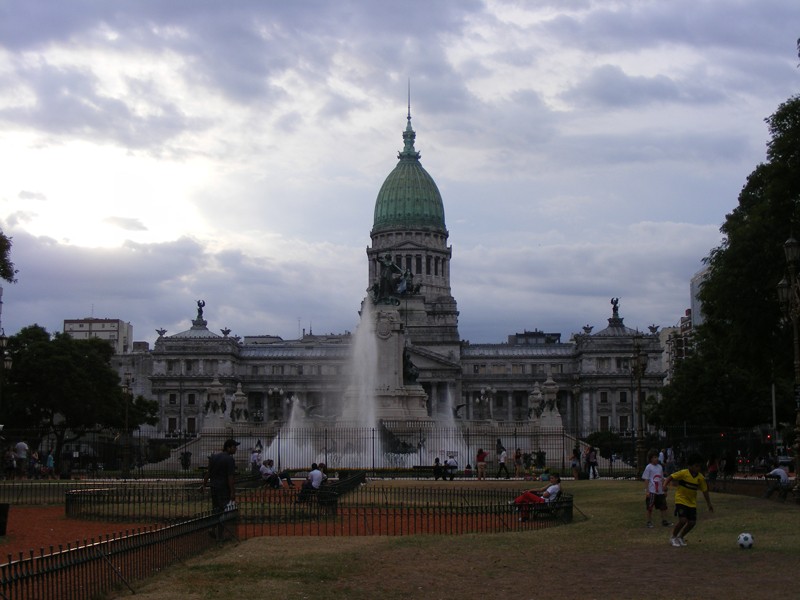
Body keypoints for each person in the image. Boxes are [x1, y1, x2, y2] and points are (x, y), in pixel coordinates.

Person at [664, 453, 713, 547]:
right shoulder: (683, 473)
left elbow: (705, 491)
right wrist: (664, 485)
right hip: (681, 500)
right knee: (683, 520)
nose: (698, 468)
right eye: (696, 466)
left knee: (692, 522)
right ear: (690, 466)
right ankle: (673, 537)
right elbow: (670, 477)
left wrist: (709, 504)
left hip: (692, 503)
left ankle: (680, 537)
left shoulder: (700, 478)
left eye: (699, 466)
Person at [202, 438, 239, 539]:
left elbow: (208, 473)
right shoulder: (229, 459)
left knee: (216, 510)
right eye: (234, 447)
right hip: (223, 489)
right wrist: (232, 492)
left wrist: (204, 485)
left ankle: (213, 529)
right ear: (228, 448)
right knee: (224, 511)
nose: (236, 449)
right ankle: (220, 535)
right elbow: (230, 478)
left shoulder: (214, 457)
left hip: (213, 487)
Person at [641, 452, 671, 528]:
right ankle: (649, 521)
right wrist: (647, 490)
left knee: (663, 506)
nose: (656, 459)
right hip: (652, 490)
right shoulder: (648, 467)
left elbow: (661, 478)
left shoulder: (660, 467)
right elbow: (646, 479)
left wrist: (664, 489)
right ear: (651, 459)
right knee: (650, 507)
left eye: (657, 457)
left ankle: (664, 521)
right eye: (654, 457)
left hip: (660, 491)